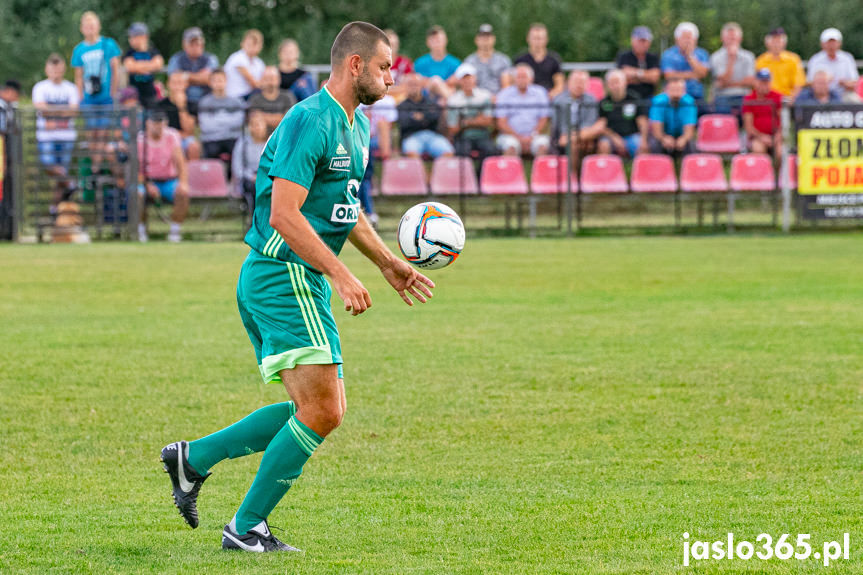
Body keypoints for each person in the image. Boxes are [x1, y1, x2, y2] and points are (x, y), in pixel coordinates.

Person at [159, 20, 434, 554]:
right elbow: (285, 215)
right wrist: (340, 271)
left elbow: (343, 210)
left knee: (315, 408)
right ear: (355, 65)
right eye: (384, 67)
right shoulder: (311, 120)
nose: (391, 78)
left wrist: (386, 263)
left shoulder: (355, 127)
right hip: (281, 274)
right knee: (324, 411)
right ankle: (244, 528)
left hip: (293, 277)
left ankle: (193, 460)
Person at [71, 11, 122, 168]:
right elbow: (78, 76)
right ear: (82, 28)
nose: (90, 28)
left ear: (98, 26)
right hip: (89, 97)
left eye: (92, 25)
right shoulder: (79, 50)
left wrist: (113, 93)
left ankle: (97, 167)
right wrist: (80, 98)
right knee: (91, 134)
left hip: (106, 96)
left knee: (102, 133)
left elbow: (116, 70)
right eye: (86, 25)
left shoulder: (109, 44)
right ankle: (96, 166)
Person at [32, 54, 80, 210]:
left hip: (66, 136)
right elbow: (41, 109)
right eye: (53, 69)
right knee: (49, 165)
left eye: (58, 69)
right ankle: (70, 183)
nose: (56, 72)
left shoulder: (71, 88)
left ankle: (55, 209)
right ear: (47, 69)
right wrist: (61, 111)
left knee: (60, 173)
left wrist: (52, 113)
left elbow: (73, 111)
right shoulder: (40, 87)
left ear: (63, 69)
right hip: (46, 136)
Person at [136, 110, 188, 243]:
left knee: (183, 193)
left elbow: (180, 160)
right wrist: (147, 185)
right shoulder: (140, 140)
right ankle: (141, 230)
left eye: (160, 123)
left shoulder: (172, 136)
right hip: (148, 181)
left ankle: (175, 231)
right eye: (154, 123)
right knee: (138, 194)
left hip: (169, 180)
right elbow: (137, 169)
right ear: (147, 124)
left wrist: (183, 182)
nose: (157, 126)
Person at [494, 63, 551, 156]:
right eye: (518, 77)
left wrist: (532, 136)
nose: (521, 80)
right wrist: (518, 138)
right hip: (510, 136)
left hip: (535, 135)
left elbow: (544, 119)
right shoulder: (504, 94)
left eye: (524, 77)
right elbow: (501, 121)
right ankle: (511, 171)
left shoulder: (540, 93)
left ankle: (540, 171)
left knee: (542, 146)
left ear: (531, 78)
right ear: (514, 79)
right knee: (510, 146)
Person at [197, 69, 246, 175]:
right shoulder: (204, 102)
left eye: (221, 80)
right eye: (215, 81)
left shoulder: (236, 101)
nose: (218, 83)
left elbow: (239, 122)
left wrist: (217, 120)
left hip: (232, 138)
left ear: (226, 81)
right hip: (211, 139)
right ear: (210, 83)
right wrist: (227, 120)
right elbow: (205, 125)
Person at [357, 94, 397, 225]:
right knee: (363, 180)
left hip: (372, 142)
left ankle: (367, 213)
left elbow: (388, 127)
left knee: (363, 180)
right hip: (358, 142)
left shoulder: (387, 102)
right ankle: (369, 213)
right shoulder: (356, 101)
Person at [397, 73, 455, 159]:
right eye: (410, 85)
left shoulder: (431, 102)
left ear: (421, 86)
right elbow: (404, 123)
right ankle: (420, 173)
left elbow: (435, 118)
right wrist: (425, 118)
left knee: (448, 152)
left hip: (433, 136)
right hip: (411, 137)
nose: (413, 87)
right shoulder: (402, 105)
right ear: (406, 87)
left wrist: (415, 117)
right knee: (411, 153)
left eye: (416, 84)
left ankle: (437, 173)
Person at [446, 63, 495, 159]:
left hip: (483, 136)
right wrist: (478, 118)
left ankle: (480, 174)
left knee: (491, 151)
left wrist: (465, 121)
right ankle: (469, 174)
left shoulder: (485, 96)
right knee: (461, 153)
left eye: (469, 78)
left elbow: (488, 121)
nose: (467, 81)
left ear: (475, 78)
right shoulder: (453, 100)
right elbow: (453, 128)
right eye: (464, 78)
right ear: (459, 81)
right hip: (462, 137)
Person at [551, 70, 603, 159]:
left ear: (587, 85)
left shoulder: (591, 100)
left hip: (585, 135)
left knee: (593, 140)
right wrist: (570, 135)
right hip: (564, 135)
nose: (579, 85)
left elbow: (590, 122)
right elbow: (558, 124)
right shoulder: (558, 100)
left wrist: (575, 136)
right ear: (568, 83)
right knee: (573, 144)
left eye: (582, 82)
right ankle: (572, 172)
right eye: (576, 82)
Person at [167, 27, 220, 114]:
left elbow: (209, 79)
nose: (195, 47)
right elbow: (175, 80)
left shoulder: (211, 58)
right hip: (185, 98)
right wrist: (199, 78)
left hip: (207, 96)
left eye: (198, 43)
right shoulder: (176, 59)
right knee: (177, 95)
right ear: (184, 45)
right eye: (192, 44)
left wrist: (186, 76)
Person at [596, 69, 648, 158]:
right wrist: (615, 137)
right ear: (607, 85)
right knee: (603, 145)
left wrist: (644, 140)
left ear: (625, 83)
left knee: (641, 146)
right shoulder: (604, 103)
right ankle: (606, 171)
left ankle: (638, 171)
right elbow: (602, 126)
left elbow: (642, 122)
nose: (615, 86)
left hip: (632, 136)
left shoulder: (634, 99)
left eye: (617, 82)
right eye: (612, 83)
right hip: (611, 137)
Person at [709, 22, 755, 115]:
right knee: (723, 111)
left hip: (743, 95)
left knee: (748, 109)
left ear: (740, 39)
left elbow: (750, 82)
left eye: (733, 38)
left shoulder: (749, 56)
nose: (731, 41)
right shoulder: (715, 57)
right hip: (723, 95)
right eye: (728, 38)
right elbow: (723, 81)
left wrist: (728, 84)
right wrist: (731, 60)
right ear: (722, 39)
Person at [154, 72, 202, 159]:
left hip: (184, 139)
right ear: (168, 84)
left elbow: (189, 131)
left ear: (186, 85)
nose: (177, 87)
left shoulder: (191, 105)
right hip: (165, 139)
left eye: (180, 83)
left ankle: (191, 172)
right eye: (174, 83)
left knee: (194, 146)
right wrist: (175, 136)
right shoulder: (160, 105)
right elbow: (159, 129)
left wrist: (181, 107)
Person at [660, 22, 709, 103]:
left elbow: (703, 74)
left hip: (696, 95)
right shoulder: (668, 54)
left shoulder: (702, 54)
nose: (688, 41)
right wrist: (694, 75)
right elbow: (669, 76)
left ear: (695, 40)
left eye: (690, 38)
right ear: (677, 39)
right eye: (685, 38)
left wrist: (690, 56)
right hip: (674, 96)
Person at [232, 113, 269, 216]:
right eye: (254, 125)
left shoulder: (271, 143)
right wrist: (252, 176)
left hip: (267, 176)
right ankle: (255, 218)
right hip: (249, 178)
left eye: (260, 124)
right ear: (250, 127)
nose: (257, 128)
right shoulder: (242, 143)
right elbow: (237, 168)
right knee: (253, 187)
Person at [648, 78, 697, 156]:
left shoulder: (689, 102)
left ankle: (691, 167)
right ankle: (657, 167)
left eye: (679, 89)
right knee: (655, 144)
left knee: (691, 144)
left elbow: (689, 129)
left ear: (684, 91)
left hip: (681, 136)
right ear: (666, 90)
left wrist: (683, 139)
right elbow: (656, 129)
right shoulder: (658, 102)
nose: (676, 93)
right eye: (673, 89)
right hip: (663, 135)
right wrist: (663, 138)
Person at [514, 23, 564, 99]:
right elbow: (514, 83)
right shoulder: (520, 60)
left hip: (548, 99)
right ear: (528, 39)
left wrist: (549, 96)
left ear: (546, 39)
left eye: (540, 38)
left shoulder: (554, 59)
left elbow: (559, 85)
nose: (537, 41)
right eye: (534, 38)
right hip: (524, 99)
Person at [754, 27, 805, 101]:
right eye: (773, 41)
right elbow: (757, 85)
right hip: (767, 100)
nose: (776, 44)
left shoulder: (793, 59)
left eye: (779, 41)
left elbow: (798, 84)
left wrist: (791, 99)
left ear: (784, 43)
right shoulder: (760, 60)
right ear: (767, 43)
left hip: (786, 98)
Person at [742, 69, 783, 161]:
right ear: (755, 83)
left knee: (781, 152)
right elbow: (748, 126)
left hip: (776, 136)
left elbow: (783, 120)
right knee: (758, 150)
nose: (764, 85)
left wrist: (778, 136)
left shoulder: (778, 97)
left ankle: (778, 174)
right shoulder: (749, 99)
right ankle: (763, 174)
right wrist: (762, 137)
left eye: (766, 82)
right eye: (761, 82)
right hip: (757, 137)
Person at [806, 28, 859, 97]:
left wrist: (844, 83)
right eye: (828, 42)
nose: (831, 45)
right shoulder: (815, 60)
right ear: (822, 44)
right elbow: (809, 82)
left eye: (833, 42)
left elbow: (855, 82)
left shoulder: (847, 58)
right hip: (821, 96)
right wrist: (822, 82)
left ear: (839, 43)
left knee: (855, 100)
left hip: (843, 94)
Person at [122, 22, 164, 107]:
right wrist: (149, 66)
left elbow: (158, 64)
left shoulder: (152, 51)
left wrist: (138, 66)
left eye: (133, 37)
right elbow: (130, 66)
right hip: (133, 95)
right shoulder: (130, 52)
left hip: (150, 93)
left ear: (144, 37)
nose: (130, 39)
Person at [414, 25, 461, 98]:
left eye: (438, 39)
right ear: (427, 42)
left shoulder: (455, 63)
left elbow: (457, 84)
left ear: (446, 40)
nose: (436, 42)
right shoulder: (420, 63)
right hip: (426, 101)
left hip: (447, 99)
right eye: (433, 39)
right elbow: (417, 84)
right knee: (436, 80)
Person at [463, 24, 512, 94]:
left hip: (498, 101)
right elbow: (467, 85)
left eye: (488, 37)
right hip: (476, 100)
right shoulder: (469, 62)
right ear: (476, 40)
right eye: (482, 37)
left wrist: (500, 99)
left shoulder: (503, 60)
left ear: (494, 39)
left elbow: (506, 86)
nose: (485, 40)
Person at [616, 26, 661, 102]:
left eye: (645, 41)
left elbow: (655, 78)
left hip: (649, 97)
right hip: (627, 97)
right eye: (640, 40)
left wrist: (635, 74)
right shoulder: (624, 56)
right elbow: (623, 77)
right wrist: (646, 76)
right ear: (632, 41)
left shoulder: (653, 57)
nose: (642, 44)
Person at [248, 66, 297, 131]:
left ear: (279, 79)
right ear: (261, 80)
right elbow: (255, 121)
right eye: (266, 78)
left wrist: (263, 116)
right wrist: (280, 117)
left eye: (272, 78)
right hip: (261, 138)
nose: (269, 82)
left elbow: (290, 120)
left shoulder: (288, 96)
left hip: (283, 135)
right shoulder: (254, 99)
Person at [225, 29, 266, 99]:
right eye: (249, 44)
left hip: (249, 95)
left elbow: (264, 81)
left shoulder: (259, 62)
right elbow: (254, 84)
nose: (252, 48)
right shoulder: (238, 58)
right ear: (242, 44)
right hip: (235, 96)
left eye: (255, 44)